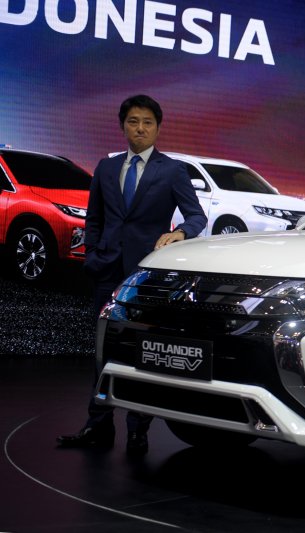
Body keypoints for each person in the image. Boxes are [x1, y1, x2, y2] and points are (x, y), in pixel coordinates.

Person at [56, 94, 207, 457]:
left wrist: (180, 233)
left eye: (147, 122)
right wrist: (92, 255)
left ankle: (138, 431)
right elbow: (94, 219)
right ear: (123, 125)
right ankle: (97, 427)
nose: (140, 128)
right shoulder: (106, 168)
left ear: (158, 127)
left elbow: (196, 216)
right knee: (102, 352)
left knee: (143, 353)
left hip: (145, 276)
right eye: (133, 121)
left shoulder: (172, 170)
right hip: (106, 271)